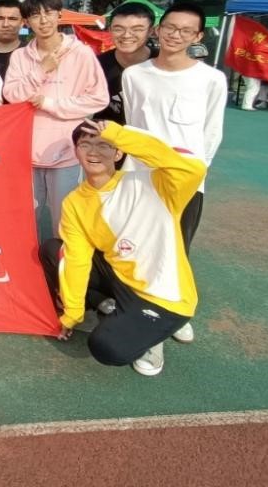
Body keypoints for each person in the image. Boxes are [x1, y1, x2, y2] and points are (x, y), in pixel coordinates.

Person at [40, 119, 205, 377]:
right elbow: (76, 259)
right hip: (119, 279)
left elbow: (193, 167)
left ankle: (152, 334)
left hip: (163, 295)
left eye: (104, 145)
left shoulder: (155, 184)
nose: (93, 152)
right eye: (85, 145)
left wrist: (119, 134)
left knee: (106, 347)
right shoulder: (75, 202)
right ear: (76, 152)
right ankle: (105, 305)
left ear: (118, 153)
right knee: (52, 250)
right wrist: (72, 313)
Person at [121, 0, 226, 345]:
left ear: (198, 36)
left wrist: (195, 175)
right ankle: (135, 307)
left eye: (185, 31)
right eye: (170, 27)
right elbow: (133, 125)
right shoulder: (135, 75)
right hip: (139, 177)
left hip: (184, 182)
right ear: (158, 29)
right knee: (137, 244)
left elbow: (211, 133)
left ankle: (176, 313)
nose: (175, 35)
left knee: (177, 248)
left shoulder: (211, 79)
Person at [3, 0, 108, 242]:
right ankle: (30, 265)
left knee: (64, 220)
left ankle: (62, 265)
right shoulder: (20, 56)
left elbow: (98, 98)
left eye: (48, 13)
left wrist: (50, 104)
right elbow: (12, 94)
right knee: (27, 219)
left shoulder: (81, 54)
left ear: (59, 15)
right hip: (26, 151)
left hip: (66, 151)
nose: (43, 20)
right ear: (27, 22)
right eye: (35, 15)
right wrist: (40, 70)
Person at [94, 2, 156, 122]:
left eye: (137, 29)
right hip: (107, 132)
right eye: (118, 29)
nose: (126, 35)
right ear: (110, 30)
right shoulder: (96, 65)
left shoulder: (163, 63)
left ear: (151, 31)